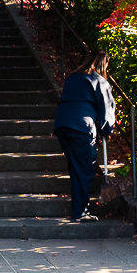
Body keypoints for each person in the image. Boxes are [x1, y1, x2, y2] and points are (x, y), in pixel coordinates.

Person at [54, 51, 115, 222]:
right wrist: (106, 130)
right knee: (84, 169)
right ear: (104, 64)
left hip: (63, 124)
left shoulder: (73, 78)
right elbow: (107, 109)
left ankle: (79, 209)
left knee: (76, 167)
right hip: (82, 126)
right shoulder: (100, 81)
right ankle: (80, 212)